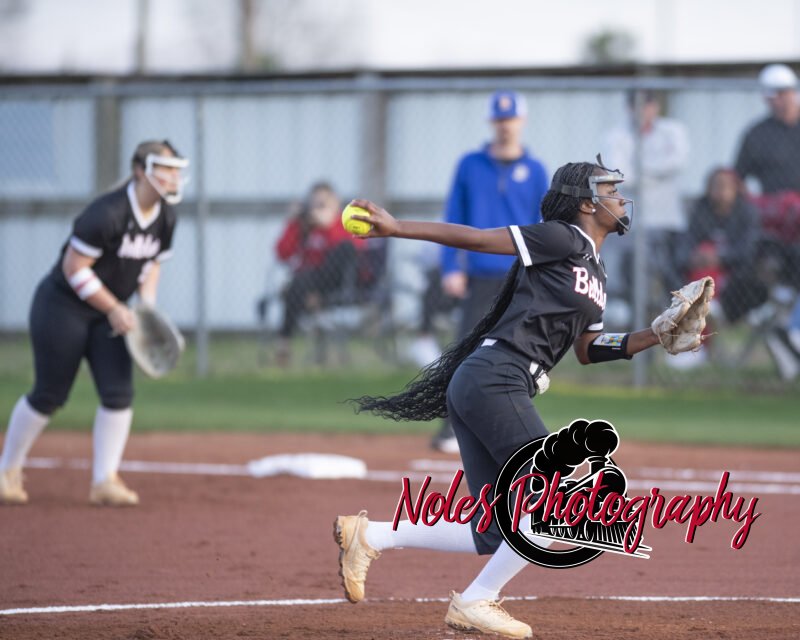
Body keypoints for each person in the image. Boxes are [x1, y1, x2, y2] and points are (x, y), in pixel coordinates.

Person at [334, 158, 674, 639]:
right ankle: (477, 600)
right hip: (497, 377)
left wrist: (655, 335)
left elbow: (588, 348)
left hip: (489, 380)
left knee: (494, 529)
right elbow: (478, 239)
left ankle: (371, 536)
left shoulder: (595, 270)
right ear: (585, 203)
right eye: (609, 189)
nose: (619, 197)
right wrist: (397, 228)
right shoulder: (563, 237)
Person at [0, 140, 188, 506]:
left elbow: (151, 264)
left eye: (176, 170)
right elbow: (73, 268)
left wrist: (146, 307)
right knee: (50, 393)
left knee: (118, 394)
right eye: (165, 168)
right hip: (63, 306)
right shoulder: (108, 212)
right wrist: (114, 307)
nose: (173, 177)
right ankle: (7, 470)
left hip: (110, 312)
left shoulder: (166, 217)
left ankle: (105, 480)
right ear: (140, 171)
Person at [428, 89, 548, 453]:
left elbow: (544, 225)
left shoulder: (536, 170)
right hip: (479, 274)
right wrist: (452, 266)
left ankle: (507, 430)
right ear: (491, 122)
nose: (504, 126)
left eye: (510, 119)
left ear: (521, 121)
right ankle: (451, 429)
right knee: (466, 351)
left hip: (520, 276)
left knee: (516, 356)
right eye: (498, 119)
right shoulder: (470, 165)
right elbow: (454, 216)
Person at [734, 63, 800, 378]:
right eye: (772, 96)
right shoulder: (757, 134)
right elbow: (738, 179)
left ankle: (791, 331)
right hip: (776, 226)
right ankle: (788, 330)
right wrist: (761, 206)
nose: (779, 101)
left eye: (783, 94)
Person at [603, 89, 690, 310]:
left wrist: (640, 169)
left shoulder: (673, 131)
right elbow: (619, 173)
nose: (643, 110)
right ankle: (635, 314)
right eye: (638, 105)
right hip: (633, 222)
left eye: (648, 104)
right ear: (629, 108)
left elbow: (677, 162)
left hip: (667, 218)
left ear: (656, 106)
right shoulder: (617, 135)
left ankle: (678, 314)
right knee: (631, 271)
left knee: (670, 272)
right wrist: (655, 173)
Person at [274, 182, 363, 366]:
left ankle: (313, 302)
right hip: (306, 280)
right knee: (297, 284)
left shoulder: (343, 223)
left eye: (322, 205)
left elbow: (355, 250)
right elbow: (282, 253)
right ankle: (284, 343)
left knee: (343, 249)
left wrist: (327, 225)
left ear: (335, 204)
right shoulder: (304, 226)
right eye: (313, 205)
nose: (316, 210)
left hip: (339, 281)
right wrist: (294, 223)